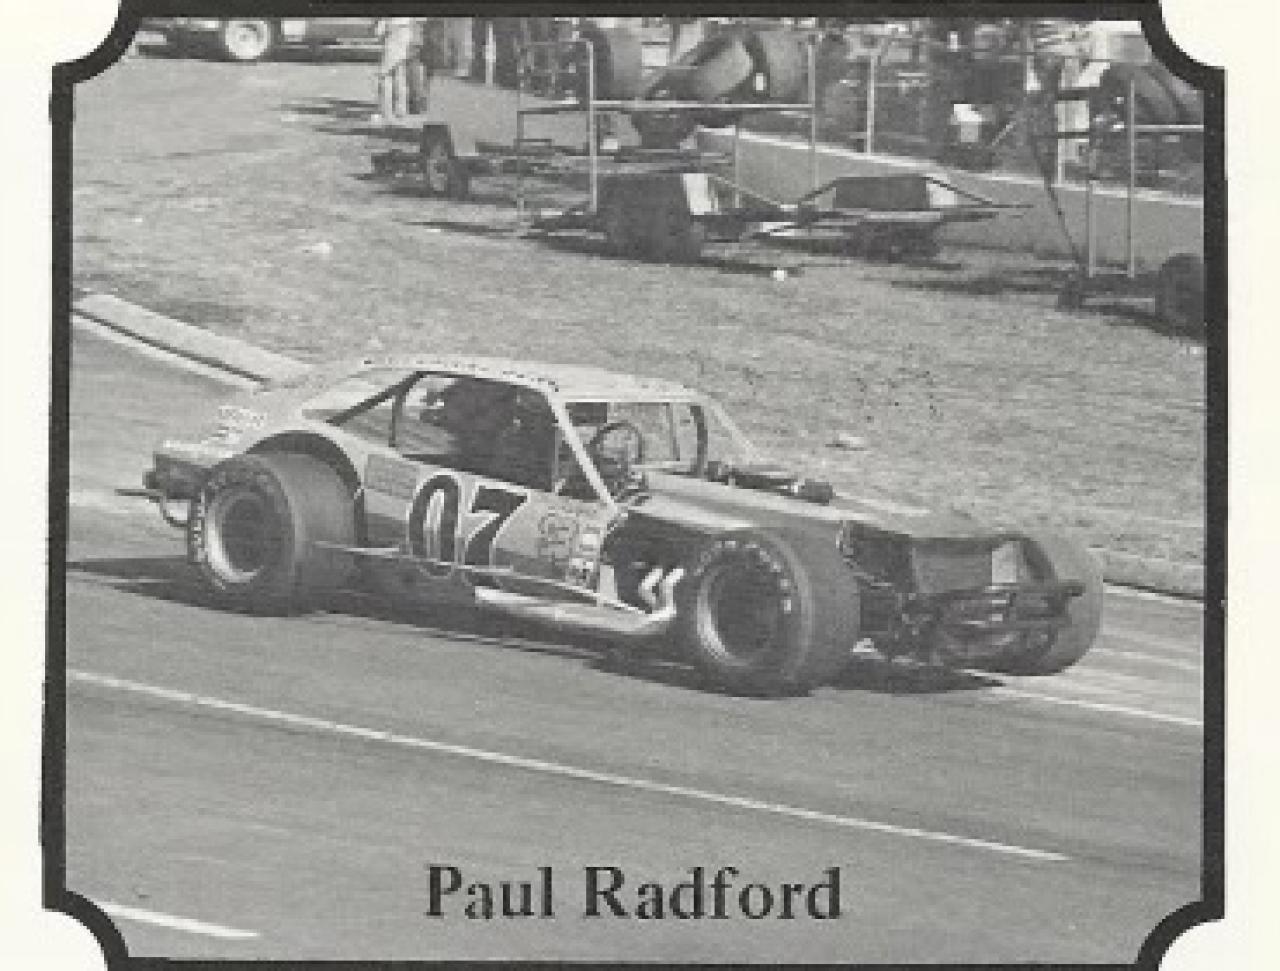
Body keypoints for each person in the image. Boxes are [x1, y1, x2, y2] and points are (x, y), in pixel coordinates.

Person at [373, 17, 416, 122]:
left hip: (393, 30)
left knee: (385, 74)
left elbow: (380, 26)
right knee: (399, 72)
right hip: (406, 29)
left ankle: (386, 111)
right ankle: (401, 109)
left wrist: (379, 29)